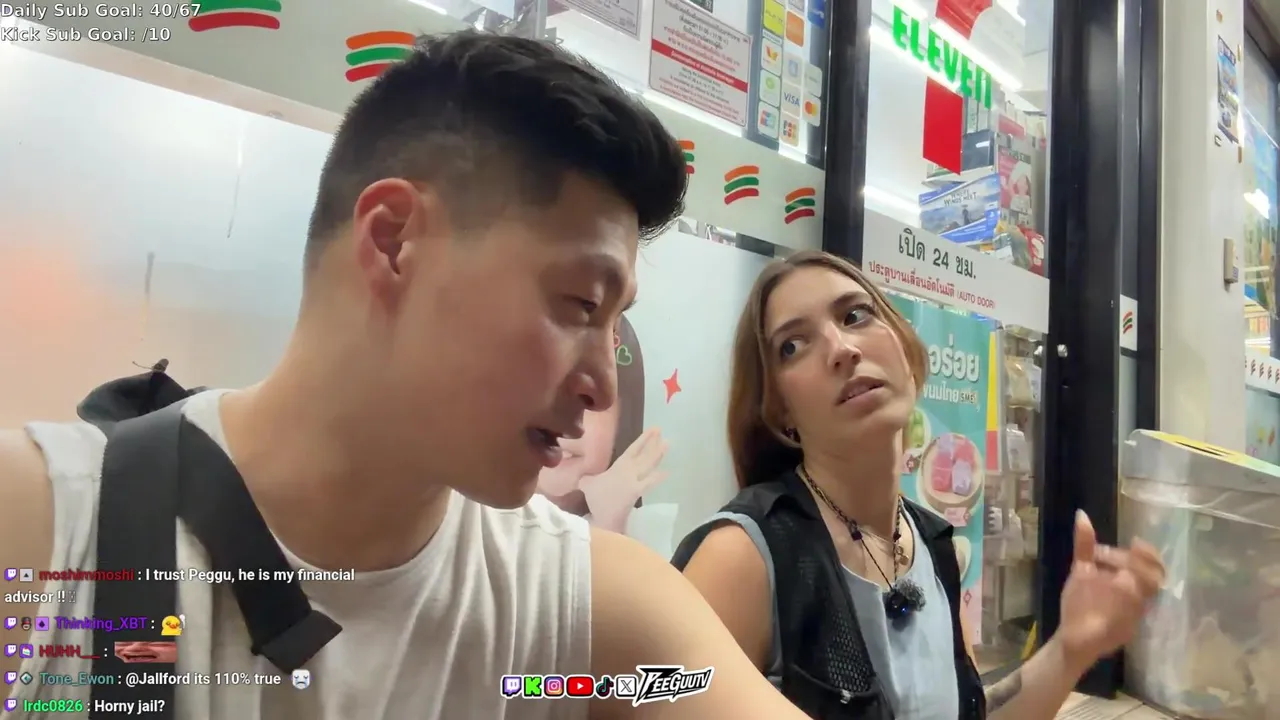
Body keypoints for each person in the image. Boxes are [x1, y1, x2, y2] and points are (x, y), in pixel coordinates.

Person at [0, 32, 819, 719]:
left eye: (615, 323)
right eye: (579, 304)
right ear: (394, 241)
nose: (604, 385)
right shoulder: (43, 537)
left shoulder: (585, 612)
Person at [671, 250, 1166, 719]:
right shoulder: (744, 557)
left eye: (855, 316)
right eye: (793, 346)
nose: (842, 349)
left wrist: (1071, 649)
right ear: (779, 409)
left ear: (907, 354)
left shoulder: (932, 545)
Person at [536, 314, 678, 554]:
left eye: (588, 399)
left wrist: (609, 523)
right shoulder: (479, 517)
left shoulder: (640, 536)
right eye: (546, 388)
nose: (564, 417)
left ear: (623, 422)